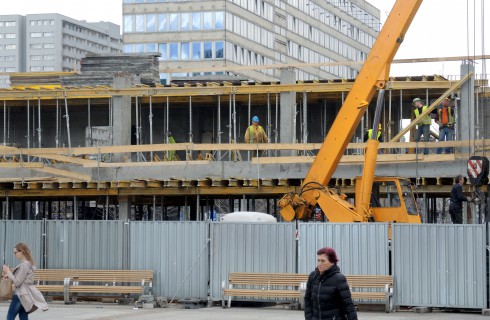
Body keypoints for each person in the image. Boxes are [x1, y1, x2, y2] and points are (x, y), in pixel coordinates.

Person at [304, 247, 357, 320]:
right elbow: (307, 300)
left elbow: (348, 305)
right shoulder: (313, 276)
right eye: (318, 260)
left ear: (332, 262)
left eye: (323, 261)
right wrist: (309, 317)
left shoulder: (339, 279)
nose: (319, 264)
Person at [3, 243, 48, 320]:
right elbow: (22, 279)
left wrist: (8, 271)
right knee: (23, 317)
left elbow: (17, 282)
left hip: (21, 295)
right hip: (25, 295)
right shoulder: (27, 264)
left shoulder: (25, 265)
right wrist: (9, 274)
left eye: (15, 252)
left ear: (22, 251)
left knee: (10, 317)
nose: (14, 254)